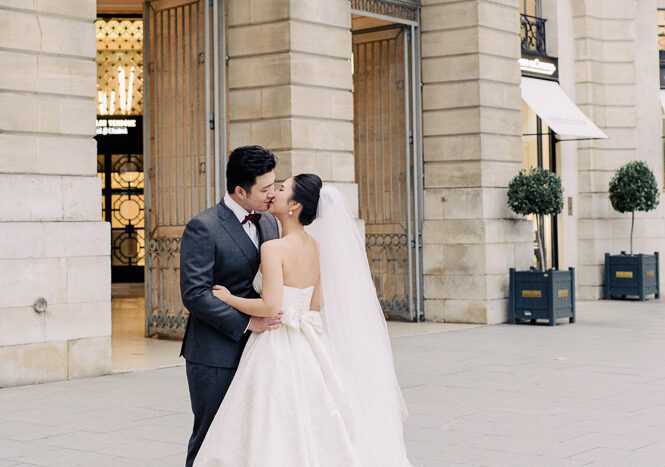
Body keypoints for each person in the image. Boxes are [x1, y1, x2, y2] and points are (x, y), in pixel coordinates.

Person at [194, 173, 413, 466]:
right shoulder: (315, 246)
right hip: (308, 339)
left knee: (270, 419)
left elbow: (270, 305)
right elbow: (316, 302)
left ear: (294, 205)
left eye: (281, 188)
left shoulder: (274, 248)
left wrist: (228, 298)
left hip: (276, 340)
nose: (274, 192)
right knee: (314, 417)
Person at [179, 145, 281, 467]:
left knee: (250, 438)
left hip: (261, 351)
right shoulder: (203, 227)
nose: (272, 194)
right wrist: (248, 322)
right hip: (214, 353)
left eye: (274, 185)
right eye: (265, 189)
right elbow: (195, 294)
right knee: (211, 438)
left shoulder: (268, 224)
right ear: (240, 190)